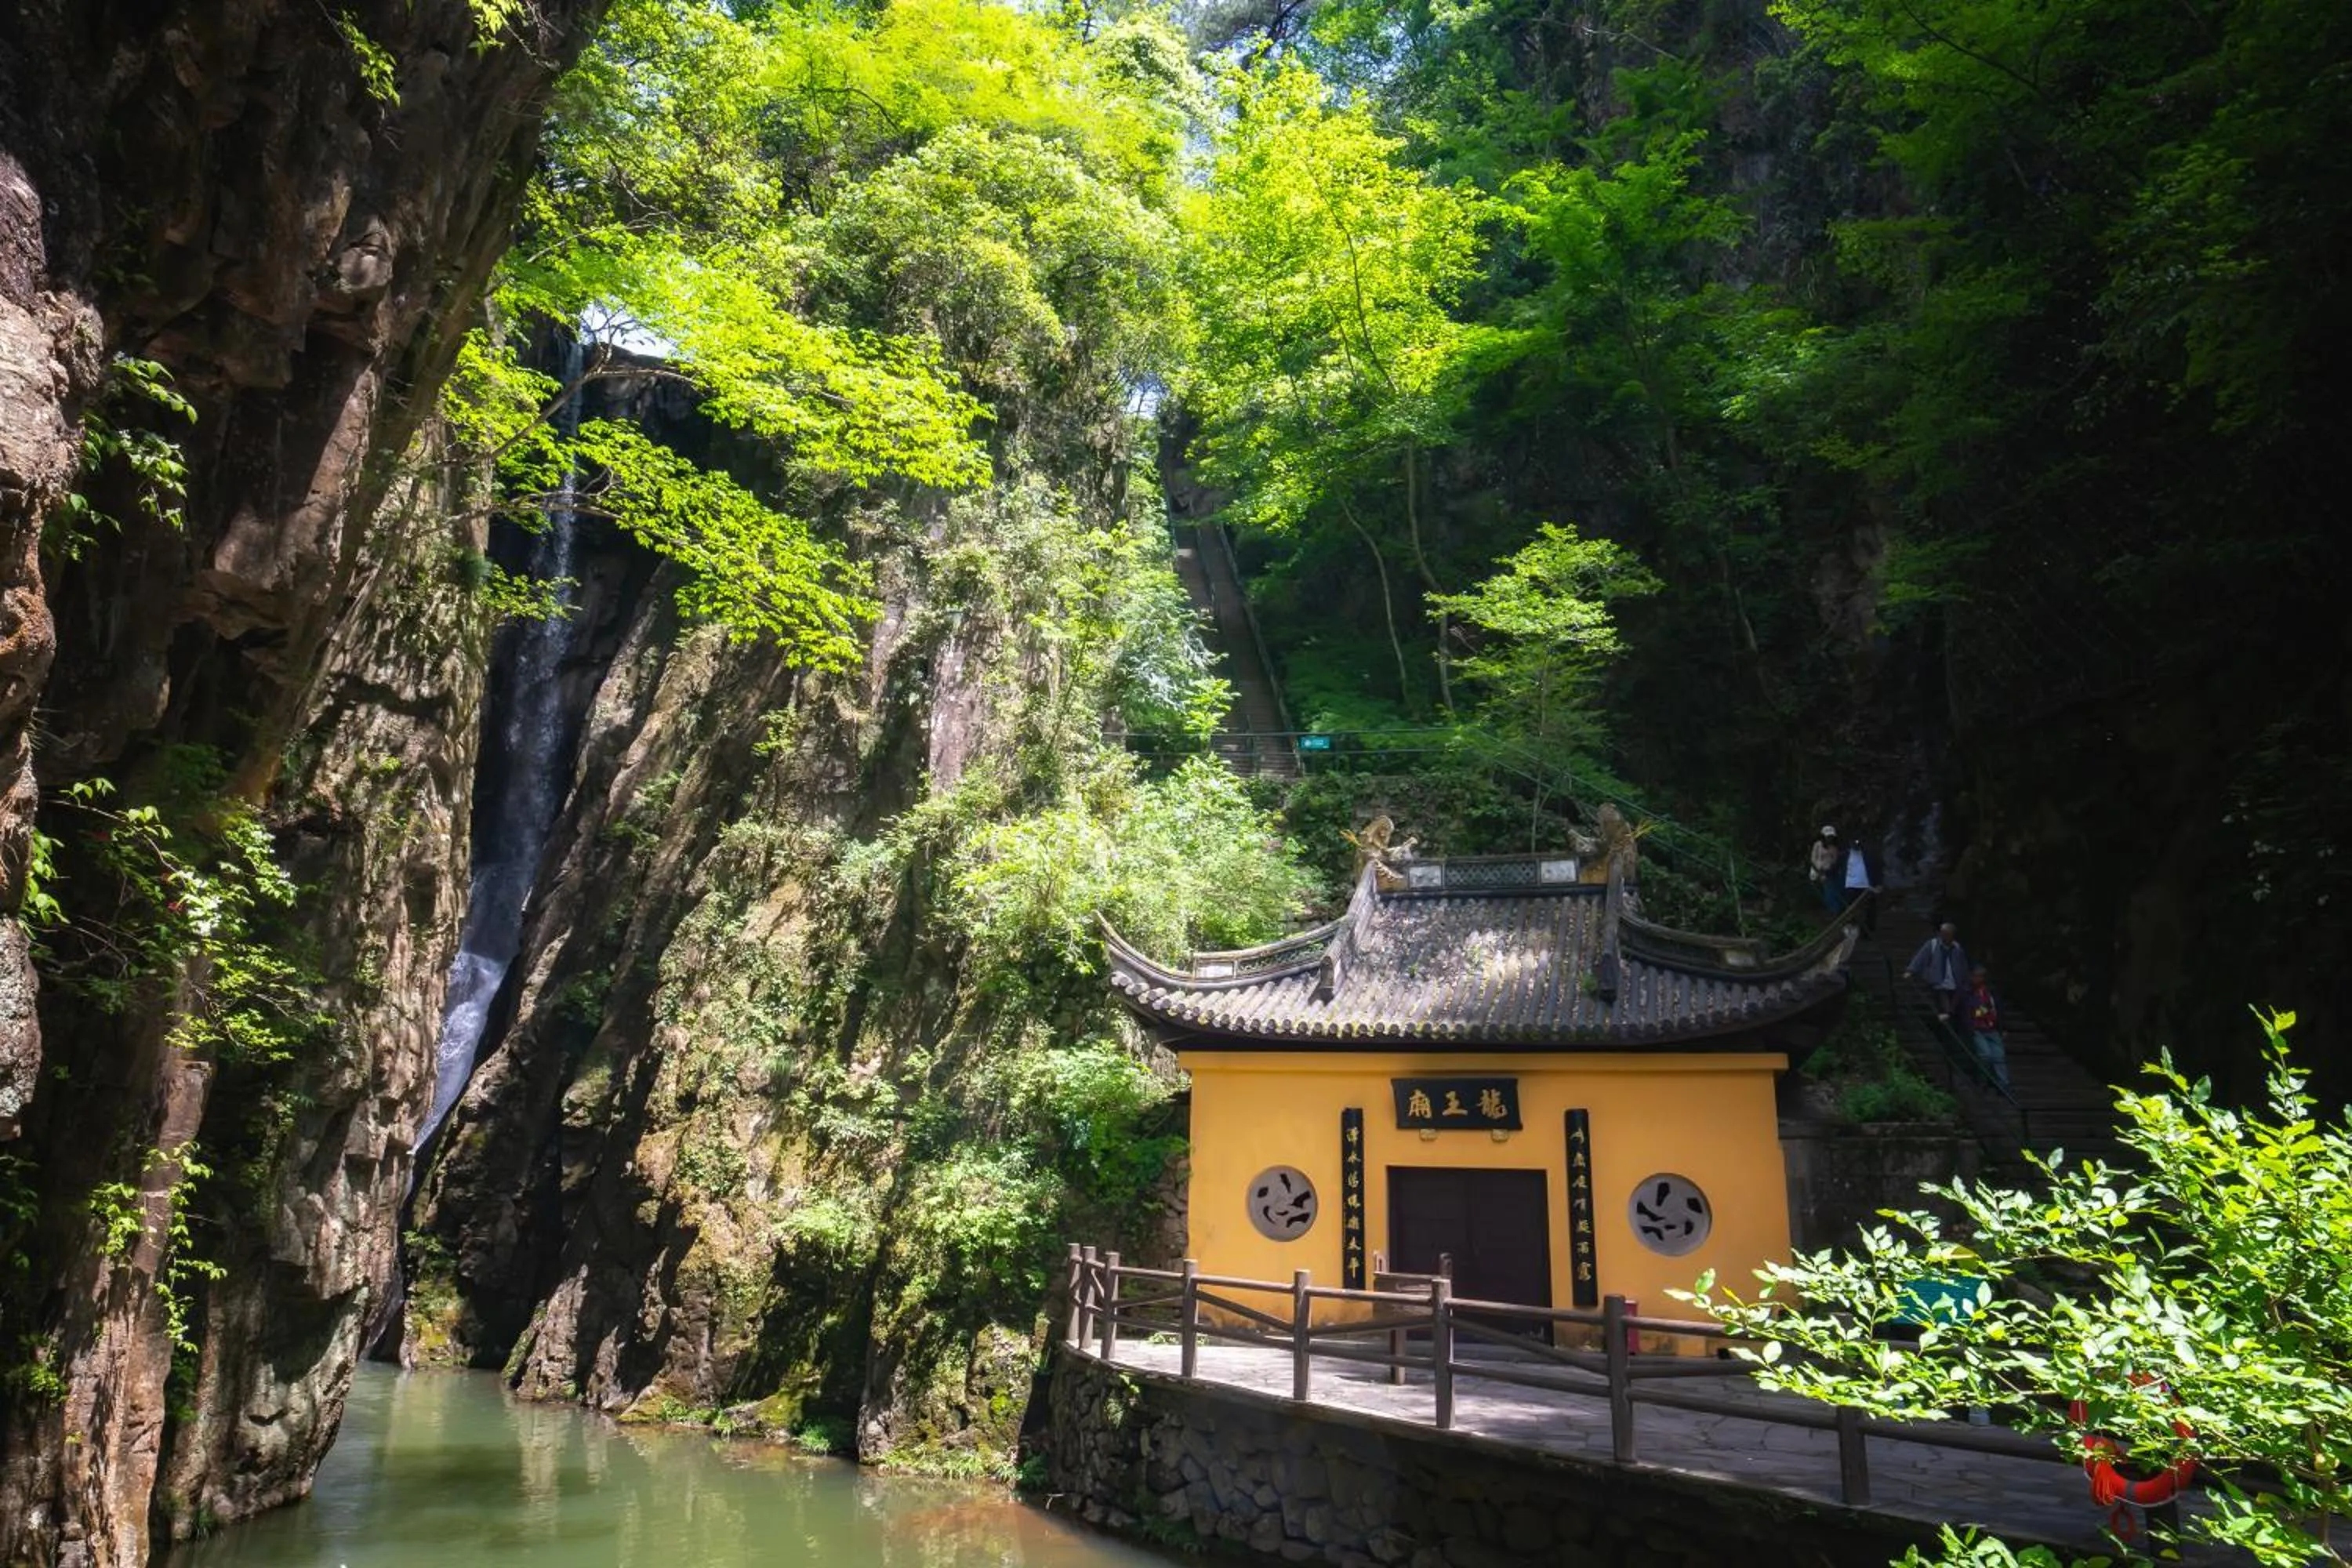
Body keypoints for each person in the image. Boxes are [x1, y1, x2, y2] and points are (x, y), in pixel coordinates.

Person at [1906, 922, 1969, 1026]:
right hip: (1939, 980)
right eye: (1943, 934)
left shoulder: (1957, 948)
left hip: (1954, 981)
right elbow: (1921, 958)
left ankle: (1949, 1018)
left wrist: (1966, 980)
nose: (1945, 937)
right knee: (1943, 1001)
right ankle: (1946, 1017)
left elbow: (1963, 965)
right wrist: (1911, 971)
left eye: (1948, 934)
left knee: (1956, 1003)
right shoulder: (1933, 944)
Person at [1962, 964, 2011, 1092]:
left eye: (1979, 977)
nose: (1976, 979)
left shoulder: (1991, 993)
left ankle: (2004, 1085)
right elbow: (1972, 1013)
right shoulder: (1968, 993)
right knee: (1985, 1055)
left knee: (1999, 1057)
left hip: (1992, 1028)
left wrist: (2003, 1027)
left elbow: (1998, 1009)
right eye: (1975, 976)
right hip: (1977, 1028)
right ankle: (1982, 1081)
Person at [1808, 826, 1843, 913]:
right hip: (1819, 871)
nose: (1829, 839)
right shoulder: (1817, 845)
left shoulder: (1834, 848)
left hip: (1830, 872)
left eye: (1831, 837)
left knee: (1834, 893)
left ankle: (1838, 912)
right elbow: (1813, 859)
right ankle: (1835, 911)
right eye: (1828, 837)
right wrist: (1819, 873)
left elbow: (1835, 861)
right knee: (1828, 894)